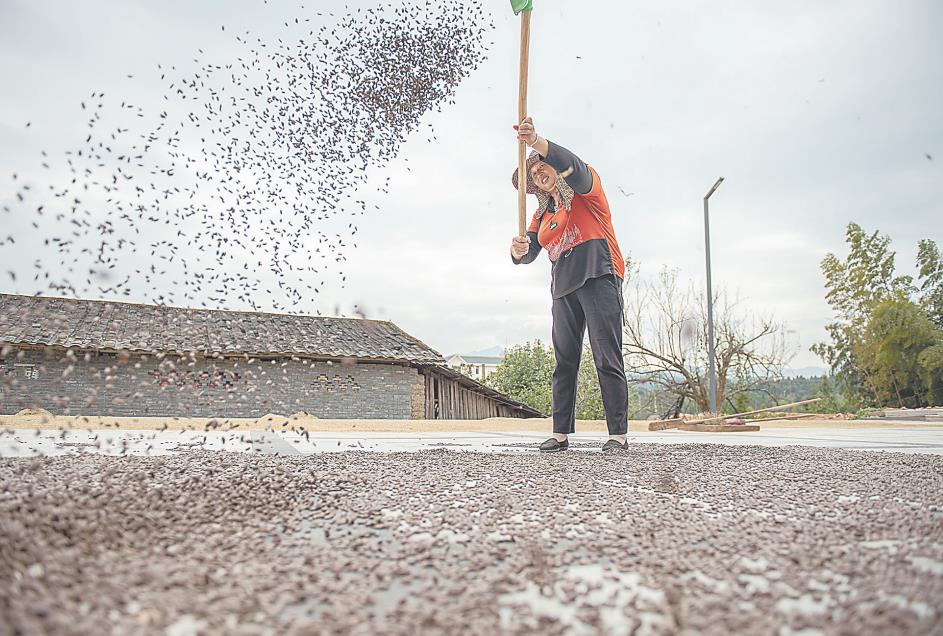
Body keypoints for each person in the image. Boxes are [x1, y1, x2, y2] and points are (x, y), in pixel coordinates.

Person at [510, 117, 628, 453]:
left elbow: (574, 166)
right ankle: (560, 433)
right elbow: (529, 251)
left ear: (554, 167)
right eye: (532, 175)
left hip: (598, 273)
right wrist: (517, 252)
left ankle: (617, 434)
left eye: (541, 167)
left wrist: (536, 142)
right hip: (563, 285)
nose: (538, 174)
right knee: (565, 360)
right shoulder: (541, 215)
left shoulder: (586, 191)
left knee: (607, 353)